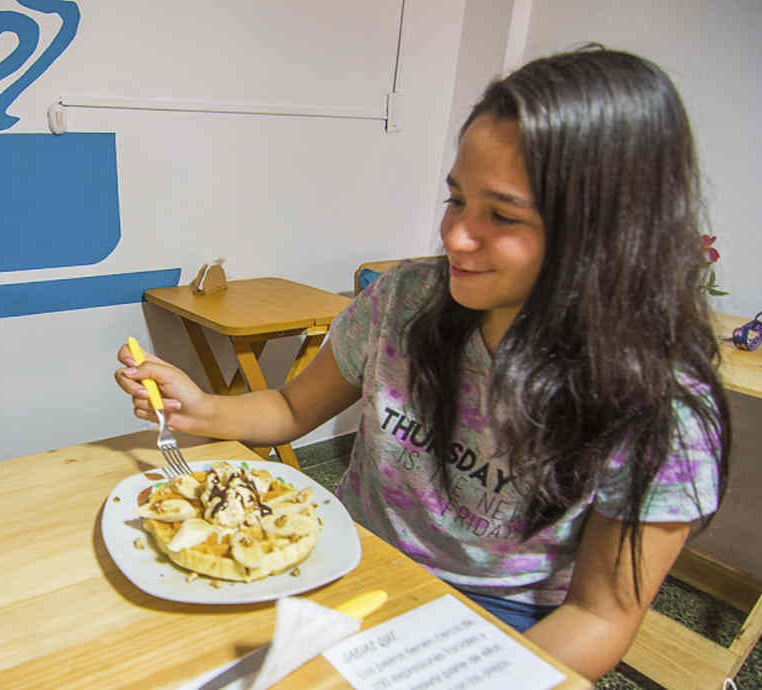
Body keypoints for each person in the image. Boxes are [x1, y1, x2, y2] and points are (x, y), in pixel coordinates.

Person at [113, 46, 730, 681]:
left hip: (504, 621)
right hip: (348, 556)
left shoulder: (663, 410)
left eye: (502, 216)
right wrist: (202, 408)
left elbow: (600, 618)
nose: (456, 236)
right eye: (455, 200)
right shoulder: (403, 301)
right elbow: (294, 406)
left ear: (606, 234)